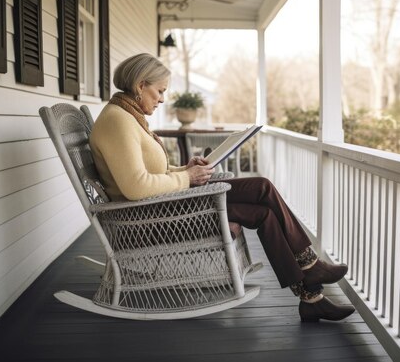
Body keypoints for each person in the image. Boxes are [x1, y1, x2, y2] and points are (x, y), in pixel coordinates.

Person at [89, 53, 355, 322]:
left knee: (264, 209)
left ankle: (311, 295)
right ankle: (310, 269)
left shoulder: (127, 116)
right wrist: (188, 178)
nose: (162, 99)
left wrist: (185, 169)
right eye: (159, 91)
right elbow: (136, 186)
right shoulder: (118, 121)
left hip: (161, 209)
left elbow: (146, 174)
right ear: (140, 86)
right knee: (261, 188)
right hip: (147, 222)